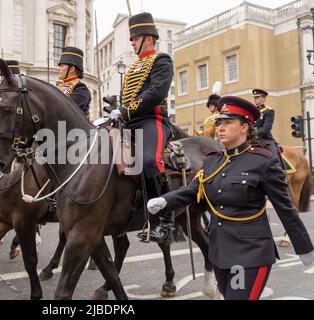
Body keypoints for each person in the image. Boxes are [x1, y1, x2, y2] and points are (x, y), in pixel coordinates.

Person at [146, 96, 314, 299]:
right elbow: (192, 190)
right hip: (219, 253)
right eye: (219, 122)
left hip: (249, 253)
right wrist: (165, 201)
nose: (220, 128)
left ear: (244, 127)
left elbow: (285, 208)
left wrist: (304, 247)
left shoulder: (263, 162)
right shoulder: (212, 161)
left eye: (227, 122)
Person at [108, 12, 175, 243]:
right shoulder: (133, 68)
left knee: (148, 160)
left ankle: (164, 219)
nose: (132, 42)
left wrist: (125, 110)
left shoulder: (161, 60)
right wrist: (116, 112)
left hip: (152, 120)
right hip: (129, 123)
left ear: (148, 38)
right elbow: (125, 97)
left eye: (135, 38)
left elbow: (155, 93)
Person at [57, 47, 91, 117]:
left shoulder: (81, 88)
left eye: (62, 66)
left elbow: (68, 111)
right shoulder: (60, 87)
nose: (59, 69)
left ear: (72, 69)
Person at [253, 89, 279, 159]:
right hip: (251, 138)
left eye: (257, 97)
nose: (255, 99)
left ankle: (277, 169)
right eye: (254, 97)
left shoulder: (269, 111)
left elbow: (266, 128)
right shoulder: (252, 111)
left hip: (265, 139)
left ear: (263, 98)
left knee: (274, 157)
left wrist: (254, 134)